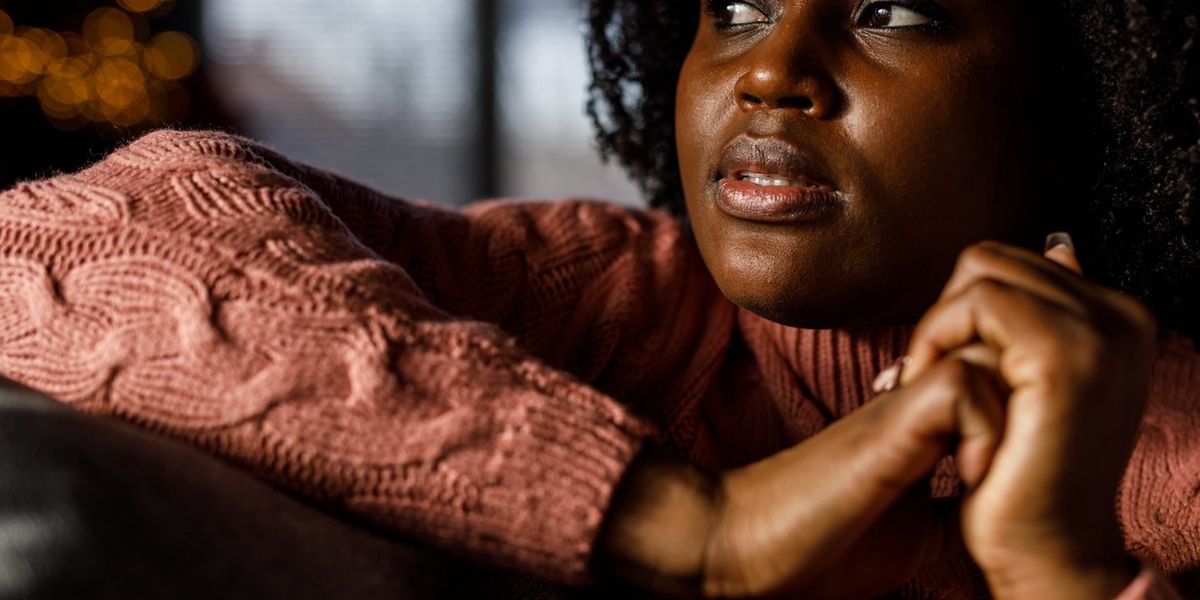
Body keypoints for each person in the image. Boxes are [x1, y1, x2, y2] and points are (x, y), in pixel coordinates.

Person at [0, 0, 1196, 598]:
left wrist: (1058, 569)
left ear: (1077, 100)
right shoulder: (604, 299)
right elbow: (62, 234)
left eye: (891, 10)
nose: (771, 70)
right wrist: (696, 525)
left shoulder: (1176, 448)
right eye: (736, 6)